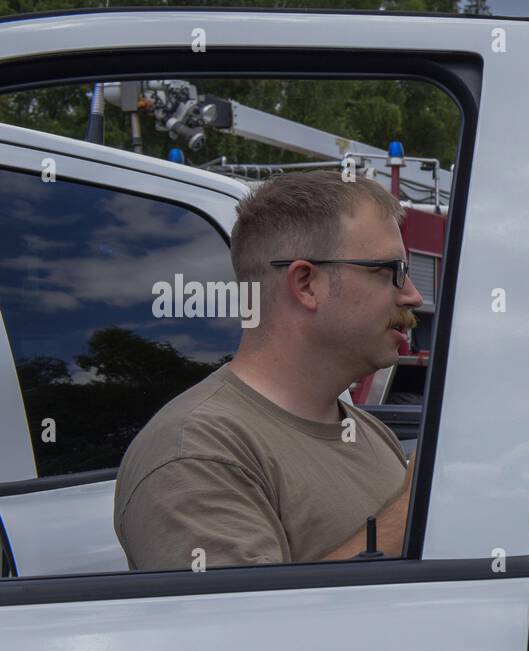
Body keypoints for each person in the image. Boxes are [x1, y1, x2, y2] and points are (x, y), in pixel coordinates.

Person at [115, 170, 421, 571]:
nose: (412, 295)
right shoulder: (195, 453)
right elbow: (247, 630)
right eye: (390, 271)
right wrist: (410, 509)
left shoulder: (366, 430)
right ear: (307, 283)